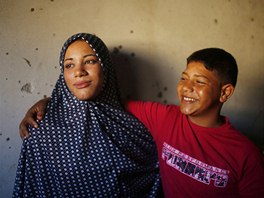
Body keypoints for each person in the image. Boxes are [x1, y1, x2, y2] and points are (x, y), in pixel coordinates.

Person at [19, 48, 264, 197]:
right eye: (184, 78)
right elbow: (104, 100)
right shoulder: (163, 118)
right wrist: (50, 101)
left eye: (200, 82)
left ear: (224, 93)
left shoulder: (247, 155)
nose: (186, 88)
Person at [13, 33, 163, 198]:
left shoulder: (135, 124)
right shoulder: (40, 130)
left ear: (105, 67)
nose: (79, 72)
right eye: (69, 65)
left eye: (90, 61)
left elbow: (161, 168)